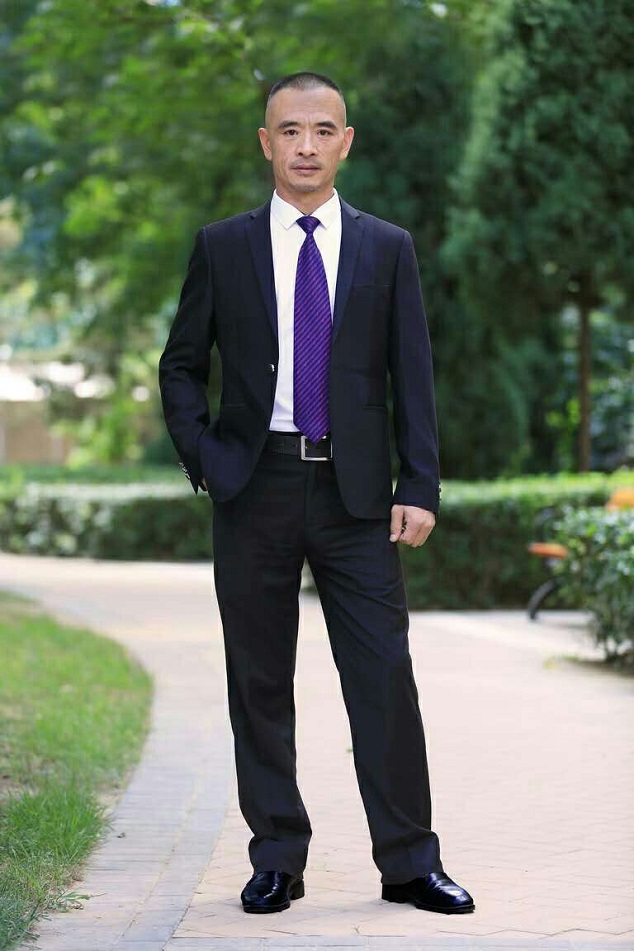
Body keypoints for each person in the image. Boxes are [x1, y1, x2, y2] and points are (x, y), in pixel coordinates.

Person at [159, 71, 474, 917]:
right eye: (290, 131)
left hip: (357, 494)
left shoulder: (386, 247)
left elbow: (413, 373)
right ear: (267, 143)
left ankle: (409, 862)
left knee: (383, 676)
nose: (306, 146)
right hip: (252, 484)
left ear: (346, 142)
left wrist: (420, 483)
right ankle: (277, 857)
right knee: (259, 681)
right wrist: (207, 458)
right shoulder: (222, 246)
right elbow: (181, 365)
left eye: (322, 130)